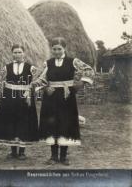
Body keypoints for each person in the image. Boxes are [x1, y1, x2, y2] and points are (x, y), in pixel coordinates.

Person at [31, 37, 94, 165]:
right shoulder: (47, 64)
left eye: (59, 49)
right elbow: (37, 78)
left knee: (65, 125)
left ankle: (64, 157)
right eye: (54, 49)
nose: (57, 51)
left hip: (67, 98)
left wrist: (81, 83)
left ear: (64, 48)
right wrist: (45, 87)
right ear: (51, 49)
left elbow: (89, 70)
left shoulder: (73, 61)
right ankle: (53, 157)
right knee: (52, 125)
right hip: (51, 98)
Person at [0, 44, 39, 160]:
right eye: (15, 52)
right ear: (12, 54)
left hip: (24, 98)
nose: (17, 54)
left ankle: (22, 152)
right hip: (9, 98)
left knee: (23, 123)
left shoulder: (31, 68)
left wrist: (30, 90)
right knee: (11, 122)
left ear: (24, 53)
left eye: (19, 52)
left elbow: (38, 81)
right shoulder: (6, 67)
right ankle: (13, 151)